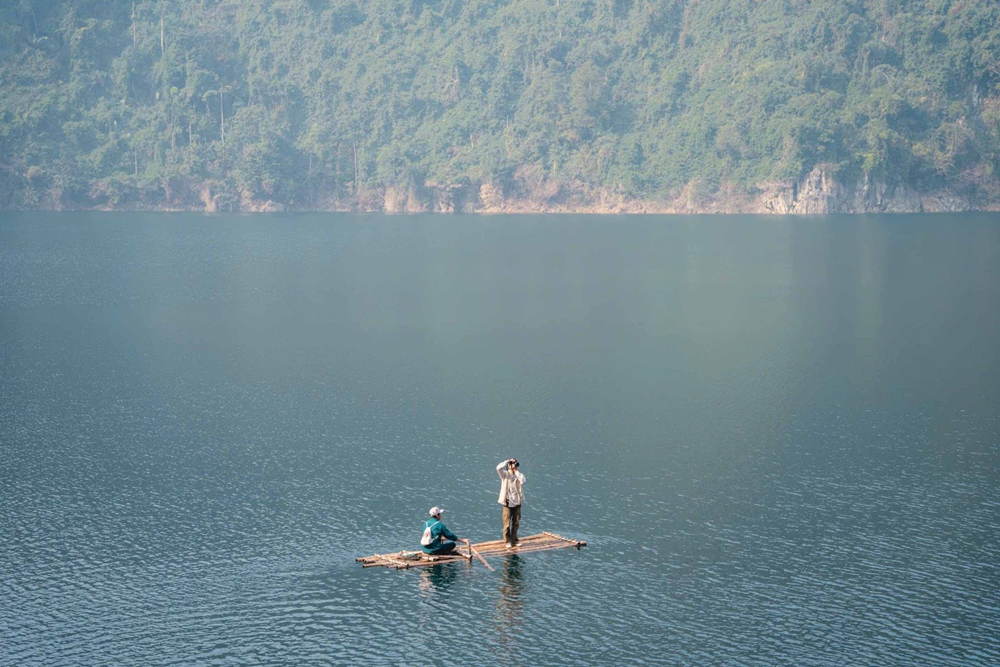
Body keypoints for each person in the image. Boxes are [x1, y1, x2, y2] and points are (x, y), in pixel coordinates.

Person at [496, 458, 525, 547]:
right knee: (507, 523)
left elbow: (523, 480)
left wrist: (515, 470)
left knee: (516, 523)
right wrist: (507, 461)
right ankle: (507, 541)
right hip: (507, 503)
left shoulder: (518, 475)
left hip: (517, 503)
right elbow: (498, 468)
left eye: (515, 463)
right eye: (512, 464)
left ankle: (515, 540)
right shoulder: (505, 475)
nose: (514, 465)